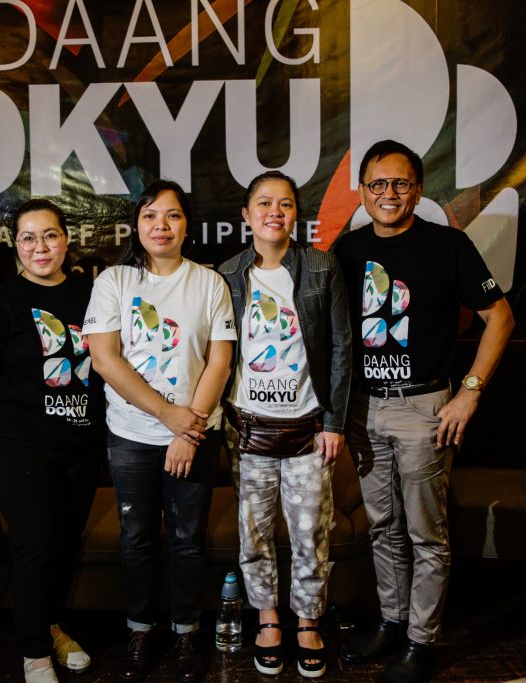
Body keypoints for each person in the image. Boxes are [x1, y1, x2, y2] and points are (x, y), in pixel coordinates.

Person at [332, 140, 514, 683]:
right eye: (378, 184)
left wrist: (470, 391)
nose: (389, 194)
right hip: (365, 409)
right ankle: (391, 622)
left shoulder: (448, 246)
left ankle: (421, 640)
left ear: (419, 189)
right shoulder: (346, 250)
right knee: (382, 525)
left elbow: (500, 317)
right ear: (362, 192)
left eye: (400, 183)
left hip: (424, 406)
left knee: (424, 533)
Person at [84, 180, 236, 683]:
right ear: (137, 223)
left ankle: (188, 631)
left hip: (195, 434)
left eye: (171, 216)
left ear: (187, 225)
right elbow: (105, 359)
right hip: (130, 435)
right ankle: (140, 629)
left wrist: (186, 429)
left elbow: (219, 362)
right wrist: (166, 415)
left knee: (189, 538)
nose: (161, 226)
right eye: (150, 216)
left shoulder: (210, 283)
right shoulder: (114, 282)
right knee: (137, 537)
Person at [218, 171, 351, 678]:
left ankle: (308, 621)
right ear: (247, 215)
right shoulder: (227, 273)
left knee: (310, 532)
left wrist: (334, 422)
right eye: (264, 203)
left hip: (308, 429)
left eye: (286, 204)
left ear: (296, 215)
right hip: (247, 429)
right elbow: (217, 352)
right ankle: (268, 617)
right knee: (253, 535)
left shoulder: (321, 267)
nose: (275, 211)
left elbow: (341, 347)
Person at [0, 199, 102, 683]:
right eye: (28, 238)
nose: (40, 247)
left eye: (49, 235)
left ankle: (51, 625)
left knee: (64, 545)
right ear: (15, 246)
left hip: (82, 446)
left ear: (66, 240)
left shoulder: (93, 296)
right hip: (22, 446)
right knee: (35, 545)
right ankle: (33, 652)